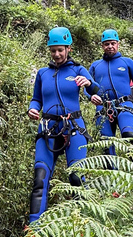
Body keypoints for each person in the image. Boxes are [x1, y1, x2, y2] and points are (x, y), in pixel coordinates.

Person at [27, 26, 99, 224]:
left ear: (69, 49)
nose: (57, 54)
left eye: (60, 50)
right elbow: (36, 99)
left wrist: (89, 84)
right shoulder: (42, 73)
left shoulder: (78, 70)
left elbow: (96, 90)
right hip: (48, 128)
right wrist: (32, 109)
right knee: (40, 177)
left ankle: (81, 224)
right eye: (53, 50)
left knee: (76, 177)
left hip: (74, 127)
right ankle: (34, 228)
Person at [89, 29, 133, 155]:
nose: (110, 46)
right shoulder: (95, 66)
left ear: (118, 44)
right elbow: (88, 87)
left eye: (113, 43)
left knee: (129, 135)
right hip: (103, 108)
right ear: (102, 46)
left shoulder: (127, 62)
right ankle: (112, 172)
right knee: (106, 144)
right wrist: (91, 96)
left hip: (125, 105)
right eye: (107, 44)